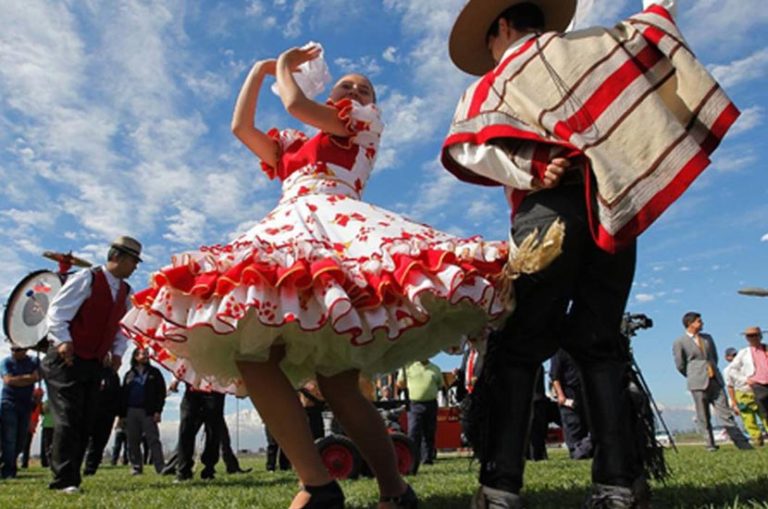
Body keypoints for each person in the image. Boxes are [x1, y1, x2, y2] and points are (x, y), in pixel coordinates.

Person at [121, 40, 518, 508]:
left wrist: (285, 67)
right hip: (290, 227)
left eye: (363, 88)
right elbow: (241, 127)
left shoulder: (362, 126)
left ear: (372, 104)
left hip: (341, 231)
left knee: (338, 383)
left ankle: (391, 487)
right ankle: (320, 484)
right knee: (255, 357)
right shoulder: (296, 142)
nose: (352, 90)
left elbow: (293, 102)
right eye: (345, 84)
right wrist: (257, 69)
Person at [440, 0, 739, 506]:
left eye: (490, 42)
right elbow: (654, 30)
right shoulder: (596, 44)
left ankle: (500, 488)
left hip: (547, 218)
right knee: (599, 341)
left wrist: (533, 167)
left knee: (516, 347)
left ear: (504, 27)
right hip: (611, 208)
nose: (491, 54)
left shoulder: (496, 82)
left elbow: (471, 146)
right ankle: (618, 484)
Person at [44, 236, 139, 492]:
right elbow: (57, 312)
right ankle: (64, 480)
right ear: (116, 257)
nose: (135, 267)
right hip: (66, 358)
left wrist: (118, 353)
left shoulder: (126, 292)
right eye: (133, 260)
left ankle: (72, 475)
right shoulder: (87, 278)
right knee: (68, 416)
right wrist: (63, 341)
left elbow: (122, 328)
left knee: (86, 419)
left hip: (93, 362)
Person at [673, 313, 751, 451]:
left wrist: (712, 370)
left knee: (725, 413)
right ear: (690, 324)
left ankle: (742, 443)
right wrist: (692, 374)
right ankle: (710, 444)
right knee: (703, 415)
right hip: (697, 382)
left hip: (714, 379)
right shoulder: (680, 341)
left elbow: (714, 357)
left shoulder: (707, 338)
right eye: (699, 321)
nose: (702, 323)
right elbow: (680, 364)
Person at [119, 347, 166, 475]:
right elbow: (123, 395)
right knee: (133, 441)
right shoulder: (129, 374)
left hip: (148, 412)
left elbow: (161, 393)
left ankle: (160, 467)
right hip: (131, 411)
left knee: (153, 440)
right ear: (135, 356)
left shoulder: (155, 373)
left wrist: (158, 411)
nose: (145, 355)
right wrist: (121, 415)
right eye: (142, 354)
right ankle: (136, 467)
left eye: (146, 353)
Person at [1, 346, 40, 479]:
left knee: (21, 439)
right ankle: (8, 470)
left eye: (17, 349)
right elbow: (8, 380)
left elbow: (37, 377)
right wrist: (29, 378)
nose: (14, 352)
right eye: (12, 349)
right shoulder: (6, 362)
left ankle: (8, 462)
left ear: (25, 349)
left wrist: (18, 380)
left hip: (26, 404)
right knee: (9, 437)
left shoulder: (34, 361)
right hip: (9, 403)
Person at [726, 326, 768, 444]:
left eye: (754, 335)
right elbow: (731, 370)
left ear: (760, 336)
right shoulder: (743, 353)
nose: (752, 338)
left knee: (765, 413)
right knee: (750, 416)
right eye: (749, 336)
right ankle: (757, 438)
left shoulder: (766, 349)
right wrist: (746, 379)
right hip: (752, 387)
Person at [397, 360, 444, 465]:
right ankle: (413, 458)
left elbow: (440, 385)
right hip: (414, 404)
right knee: (413, 431)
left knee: (429, 432)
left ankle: (427, 458)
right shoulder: (408, 367)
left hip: (431, 403)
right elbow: (400, 384)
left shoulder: (436, 368)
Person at [550, 349, 592, 460]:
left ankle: (584, 452)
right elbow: (555, 377)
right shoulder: (559, 352)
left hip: (584, 394)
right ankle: (577, 453)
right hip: (569, 395)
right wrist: (561, 397)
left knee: (588, 427)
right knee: (573, 428)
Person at [83, 366, 122, 475]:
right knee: (82, 439)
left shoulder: (113, 375)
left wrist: (119, 413)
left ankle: (90, 469)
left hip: (107, 413)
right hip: (89, 410)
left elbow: (117, 394)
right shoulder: (90, 370)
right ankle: (73, 466)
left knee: (99, 441)